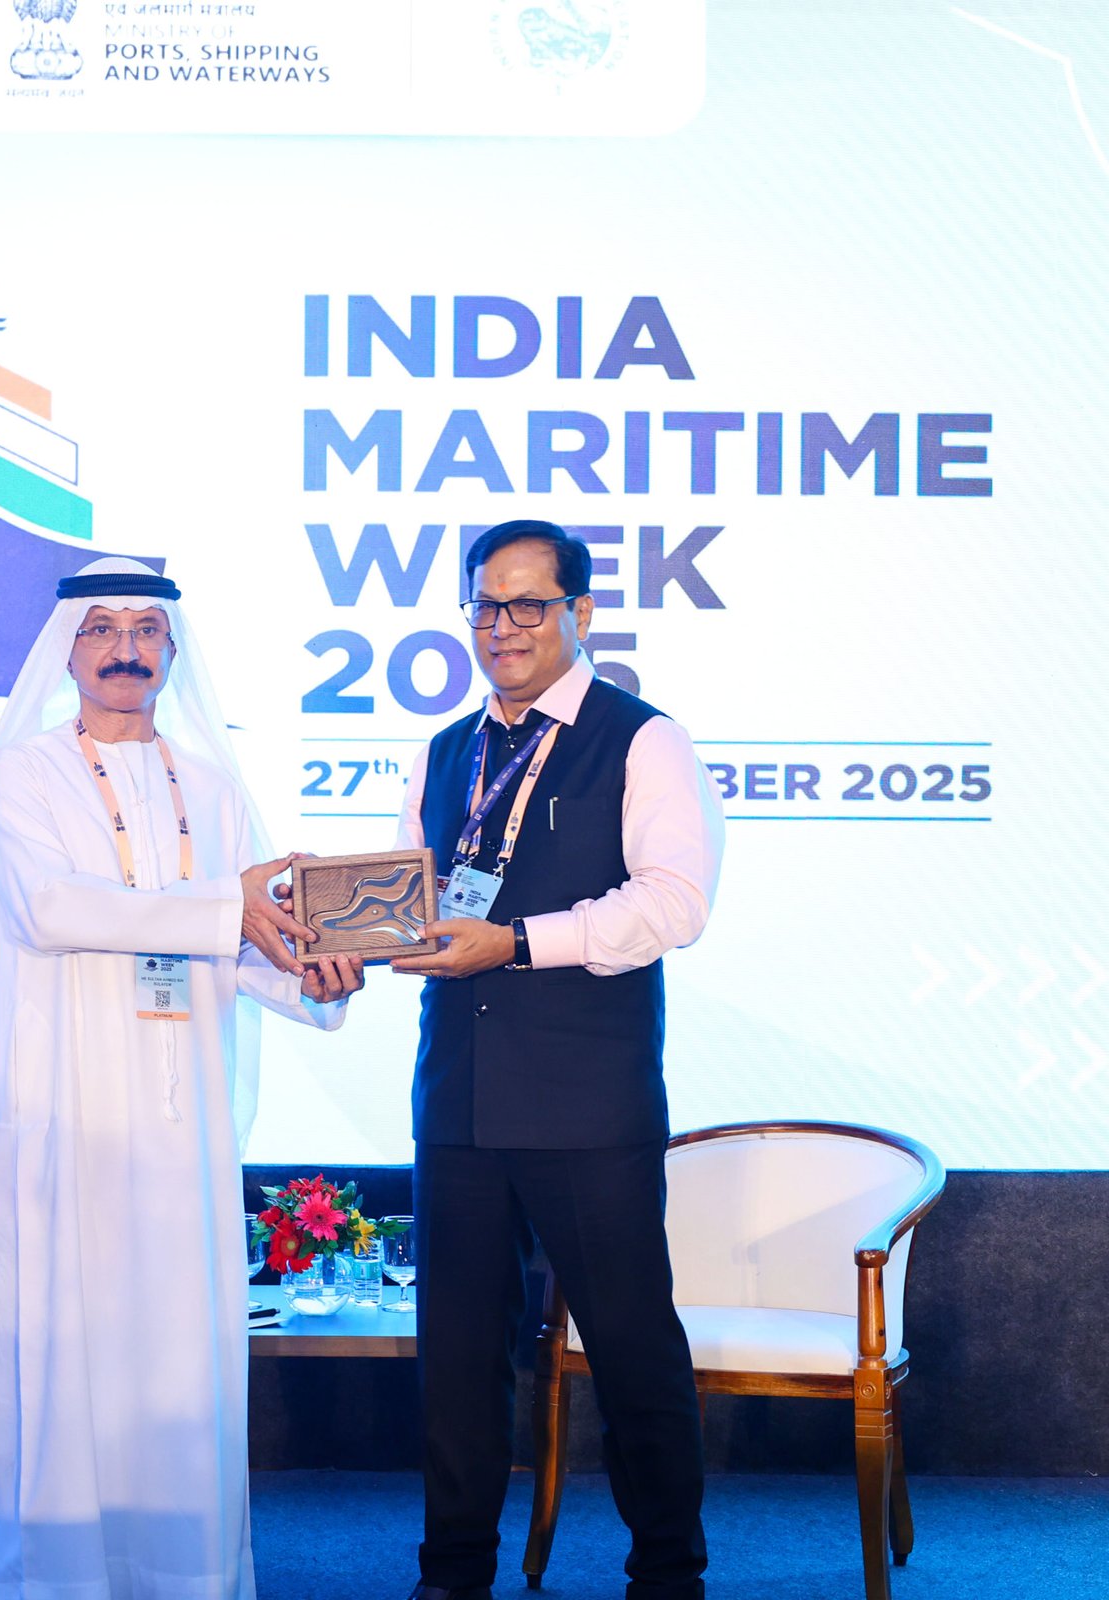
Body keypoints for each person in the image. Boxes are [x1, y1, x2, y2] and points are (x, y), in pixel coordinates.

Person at [0, 556, 363, 1600]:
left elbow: (252, 940)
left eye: (145, 631)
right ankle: (62, 1579)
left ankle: (185, 1577)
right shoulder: (22, 774)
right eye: (103, 630)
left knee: (178, 1356)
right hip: (68, 1120)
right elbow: (52, 908)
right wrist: (228, 910)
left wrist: (319, 976)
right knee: (71, 1350)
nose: (125, 650)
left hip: (184, 1133)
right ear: (67, 651)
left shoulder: (210, 789)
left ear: (171, 650)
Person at [389, 519, 725, 1600]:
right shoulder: (446, 749)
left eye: (529, 605)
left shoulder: (643, 739)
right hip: (457, 1097)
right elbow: (418, 900)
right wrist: (342, 943)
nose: (503, 627)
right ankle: (452, 1575)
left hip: (586, 1105)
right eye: (485, 606)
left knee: (631, 1351)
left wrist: (519, 942)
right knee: (455, 1359)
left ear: (579, 613)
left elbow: (673, 904)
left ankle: (667, 1572)